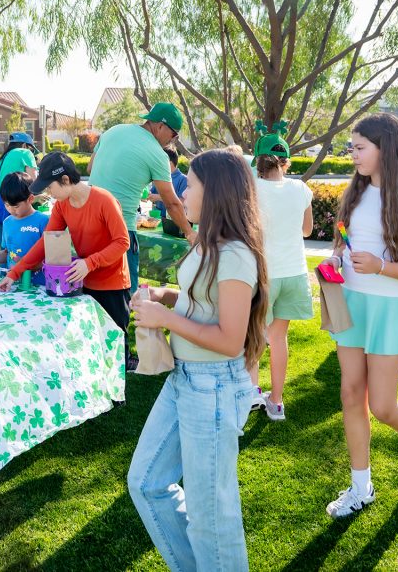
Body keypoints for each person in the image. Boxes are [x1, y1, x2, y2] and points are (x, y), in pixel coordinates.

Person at [126, 148, 265, 570]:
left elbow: (229, 339)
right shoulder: (208, 242)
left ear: (216, 191)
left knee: (212, 515)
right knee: (147, 482)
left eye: (193, 182)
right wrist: (165, 297)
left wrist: (165, 316)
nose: (183, 190)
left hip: (215, 385)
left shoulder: (236, 254)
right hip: (186, 379)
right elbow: (199, 302)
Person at [320, 113, 398, 519]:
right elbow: (348, 240)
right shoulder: (353, 195)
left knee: (384, 406)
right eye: (351, 147)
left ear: (385, 148)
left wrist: (381, 266)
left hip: (390, 308)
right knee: (351, 395)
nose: (352, 154)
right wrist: (338, 256)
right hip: (351, 303)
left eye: (359, 147)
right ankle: (361, 487)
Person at [0, 153, 132, 362]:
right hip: (82, 280)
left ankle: (119, 391)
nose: (48, 193)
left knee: (115, 344)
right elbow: (45, 242)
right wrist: (14, 273)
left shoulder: (104, 200)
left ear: (65, 180)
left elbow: (122, 242)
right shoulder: (61, 205)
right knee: (92, 342)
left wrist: (90, 263)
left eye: (50, 187)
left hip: (112, 284)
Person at [88, 102, 197, 298]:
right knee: (123, 295)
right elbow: (171, 202)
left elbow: (90, 169)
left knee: (90, 289)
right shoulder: (157, 154)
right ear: (160, 126)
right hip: (120, 230)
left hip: (88, 223)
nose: (173, 141)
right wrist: (190, 233)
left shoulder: (113, 130)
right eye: (174, 135)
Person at [251, 122, 314, 420]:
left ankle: (252, 393)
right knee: (278, 338)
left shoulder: (251, 189)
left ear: (259, 162)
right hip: (294, 273)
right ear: (286, 162)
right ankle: (276, 402)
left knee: (253, 335)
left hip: (263, 273)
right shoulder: (301, 188)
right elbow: (307, 229)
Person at [0, 172, 50, 284]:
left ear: (30, 199)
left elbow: (51, 259)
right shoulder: (7, 222)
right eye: (7, 205)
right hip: (13, 283)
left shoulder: (43, 221)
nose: (12, 210)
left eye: (16, 206)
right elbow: (7, 252)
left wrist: (27, 265)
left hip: (38, 285)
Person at [0, 132, 39, 248]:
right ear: (24, 145)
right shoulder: (25, 152)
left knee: (4, 251)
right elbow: (35, 183)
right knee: (21, 250)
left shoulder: (3, 158)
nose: (31, 152)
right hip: (16, 205)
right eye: (31, 149)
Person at [147, 146, 188, 220]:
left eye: (159, 161)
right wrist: (148, 195)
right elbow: (152, 192)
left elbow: (183, 202)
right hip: (158, 220)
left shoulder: (183, 179)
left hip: (175, 222)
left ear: (169, 162)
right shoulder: (159, 177)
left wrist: (159, 197)